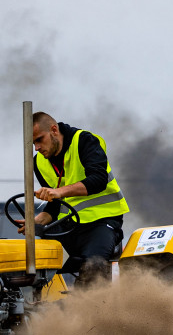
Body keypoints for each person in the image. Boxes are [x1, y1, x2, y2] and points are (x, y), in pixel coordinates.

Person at [17, 111, 130, 284]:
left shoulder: (85, 141)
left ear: (54, 130)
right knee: (31, 264)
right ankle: (32, 305)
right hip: (69, 227)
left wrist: (60, 192)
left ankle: (88, 307)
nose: (37, 147)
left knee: (93, 267)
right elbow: (54, 206)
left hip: (102, 222)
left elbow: (98, 180)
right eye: (33, 143)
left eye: (39, 139)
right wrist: (36, 221)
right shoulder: (38, 162)